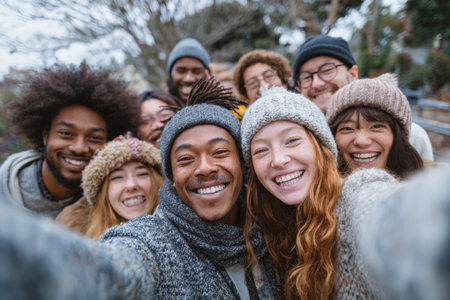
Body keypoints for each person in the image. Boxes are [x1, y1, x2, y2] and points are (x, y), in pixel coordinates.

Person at [0, 78, 280, 299]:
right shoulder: (151, 240)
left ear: (243, 163)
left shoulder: (275, 227)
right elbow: (113, 269)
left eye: (219, 152)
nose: (204, 167)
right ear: (171, 176)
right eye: (185, 159)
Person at [240, 87, 399, 299]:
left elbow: (386, 213)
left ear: (321, 147)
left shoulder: (354, 195)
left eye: (292, 141)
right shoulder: (263, 227)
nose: (278, 160)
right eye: (261, 150)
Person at [0, 62, 140, 218]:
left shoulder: (116, 200)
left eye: (94, 138)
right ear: (46, 136)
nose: (79, 148)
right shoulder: (5, 188)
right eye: (66, 133)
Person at [292, 34, 434, 161]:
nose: (317, 83)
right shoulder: (296, 141)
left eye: (327, 70)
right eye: (306, 77)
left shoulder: (410, 136)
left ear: (353, 74)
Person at [56, 134, 163, 240]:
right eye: (117, 177)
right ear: (103, 193)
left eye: (142, 174)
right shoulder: (78, 239)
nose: (131, 185)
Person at [327, 73, 424, 179]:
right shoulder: (314, 192)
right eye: (347, 129)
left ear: (397, 135)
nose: (362, 141)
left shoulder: (427, 192)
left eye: (376, 127)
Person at [166, 38, 211, 106]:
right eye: (181, 71)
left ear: (207, 74)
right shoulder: (158, 113)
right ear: (170, 74)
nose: (188, 79)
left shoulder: (224, 109)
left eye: (197, 71)